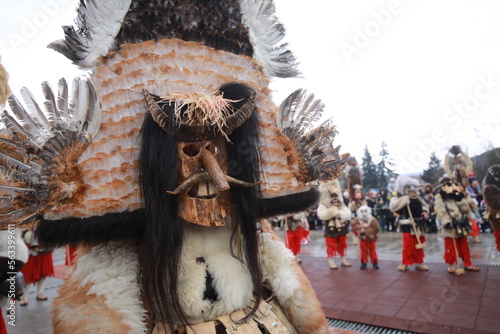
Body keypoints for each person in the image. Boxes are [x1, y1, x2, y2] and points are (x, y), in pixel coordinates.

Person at [1, 1, 346, 332]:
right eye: (192, 149)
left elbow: (290, 285)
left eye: (218, 148)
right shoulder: (124, 246)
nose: (212, 171)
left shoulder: (248, 231)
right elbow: (93, 308)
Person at [435, 177, 480, 273]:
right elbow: (440, 211)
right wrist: (446, 222)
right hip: (450, 223)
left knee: (464, 244)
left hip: (461, 222)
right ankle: (451, 265)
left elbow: (466, 209)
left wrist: (460, 199)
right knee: (451, 245)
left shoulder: (456, 195)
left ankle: (467, 263)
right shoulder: (440, 198)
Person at [390, 175, 429, 271]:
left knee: (419, 244)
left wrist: (425, 211)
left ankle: (419, 263)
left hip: (418, 224)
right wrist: (403, 200)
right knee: (408, 245)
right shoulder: (398, 197)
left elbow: (425, 206)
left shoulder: (417, 198)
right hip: (407, 224)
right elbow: (393, 207)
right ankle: (405, 263)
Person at [317, 180, 352, 269]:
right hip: (330, 227)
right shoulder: (323, 203)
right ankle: (331, 261)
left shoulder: (340, 202)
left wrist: (341, 213)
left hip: (341, 225)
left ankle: (343, 259)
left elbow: (347, 213)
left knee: (342, 243)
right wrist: (333, 211)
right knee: (331, 245)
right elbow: (322, 214)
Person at [19, 230, 54, 305]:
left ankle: (40, 292)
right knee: (26, 275)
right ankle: (24, 296)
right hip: (29, 252)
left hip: (44, 250)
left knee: (43, 273)